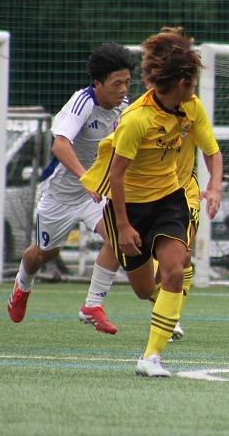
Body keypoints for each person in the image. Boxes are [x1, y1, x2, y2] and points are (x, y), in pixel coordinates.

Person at [80, 27, 216, 377]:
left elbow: (213, 151)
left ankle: (151, 357)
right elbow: (117, 176)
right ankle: (156, 304)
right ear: (180, 83)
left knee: (175, 267)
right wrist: (123, 226)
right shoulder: (136, 119)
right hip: (130, 208)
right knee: (144, 290)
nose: (195, 89)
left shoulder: (190, 107)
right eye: (192, 83)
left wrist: (214, 187)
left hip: (170, 199)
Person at [7, 43, 133, 332]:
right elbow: (60, 145)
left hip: (96, 194)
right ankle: (23, 284)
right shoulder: (82, 102)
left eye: (127, 82)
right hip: (60, 196)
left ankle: (92, 305)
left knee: (119, 238)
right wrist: (86, 178)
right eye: (117, 83)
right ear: (98, 83)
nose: (123, 89)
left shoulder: (125, 108)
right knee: (43, 253)